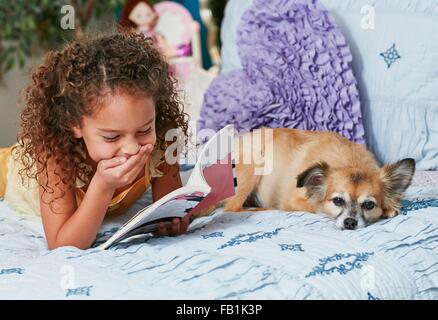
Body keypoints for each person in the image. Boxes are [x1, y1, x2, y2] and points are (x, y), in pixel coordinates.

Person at [0, 32, 191, 250]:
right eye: (112, 137)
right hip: (9, 170)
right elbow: (62, 244)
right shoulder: (54, 151)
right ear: (75, 124)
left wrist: (174, 221)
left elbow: (169, 211)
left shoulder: (162, 140)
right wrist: (102, 186)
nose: (131, 148)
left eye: (144, 129)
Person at [119, 0, 191, 59]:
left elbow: (163, 45)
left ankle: (178, 51)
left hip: (157, 56)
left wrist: (167, 49)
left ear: (153, 14)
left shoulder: (155, 32)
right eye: (138, 16)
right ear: (129, 16)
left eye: (148, 14)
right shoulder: (132, 34)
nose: (144, 18)